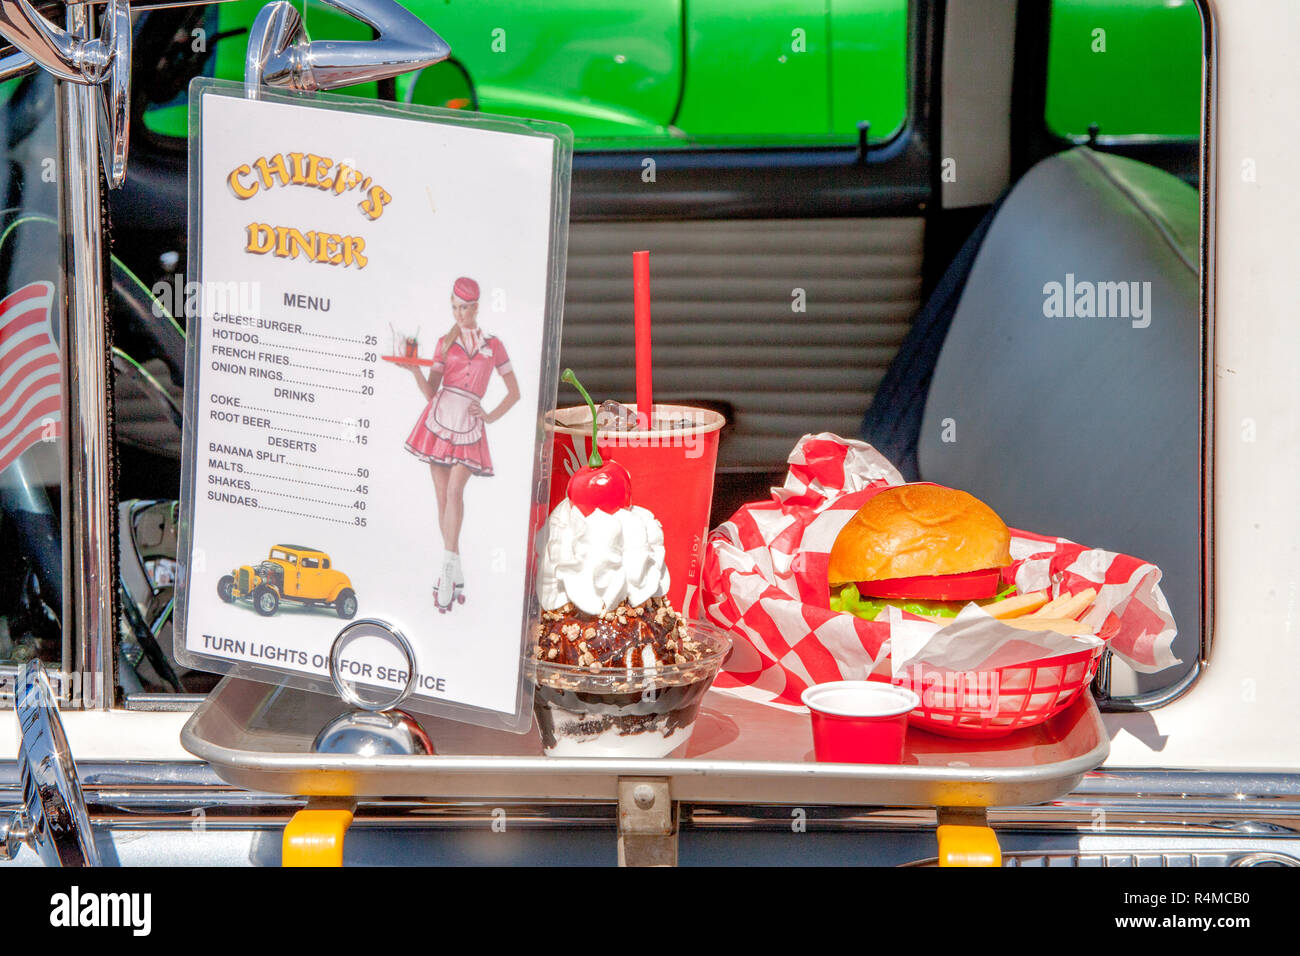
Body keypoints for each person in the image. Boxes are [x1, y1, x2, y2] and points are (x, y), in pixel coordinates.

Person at [405, 277, 520, 610]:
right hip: (439, 419)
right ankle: (454, 571)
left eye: (464, 308)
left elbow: (514, 392)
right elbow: (431, 392)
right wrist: (414, 371)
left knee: (455, 491)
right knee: (442, 496)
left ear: (476, 308)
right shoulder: (444, 342)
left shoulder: (493, 345)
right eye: (454, 307)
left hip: (469, 423)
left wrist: (489, 415)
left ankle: (446, 570)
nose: (459, 313)